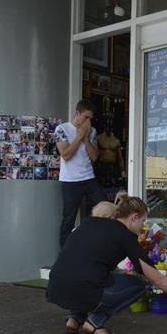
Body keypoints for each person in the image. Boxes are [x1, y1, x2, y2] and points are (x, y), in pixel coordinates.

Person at [47, 194, 167, 334]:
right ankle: (94, 323)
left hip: (55, 287)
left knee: (89, 278)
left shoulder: (91, 222)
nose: (143, 226)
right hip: (82, 288)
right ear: (134, 217)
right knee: (138, 285)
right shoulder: (125, 236)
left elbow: (86, 262)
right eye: (143, 221)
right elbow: (157, 279)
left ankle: (75, 319)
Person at [55, 99, 105, 248]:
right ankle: (64, 256)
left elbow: (95, 157)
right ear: (77, 113)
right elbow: (65, 155)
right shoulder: (61, 129)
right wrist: (78, 137)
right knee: (68, 218)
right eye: (86, 117)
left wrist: (86, 138)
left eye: (91, 118)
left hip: (89, 178)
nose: (88, 121)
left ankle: (99, 246)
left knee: (105, 208)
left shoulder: (92, 131)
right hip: (70, 180)